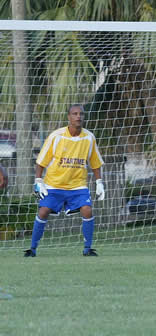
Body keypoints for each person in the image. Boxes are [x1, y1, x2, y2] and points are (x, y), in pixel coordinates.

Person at [24, 104, 105, 257]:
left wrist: (99, 182)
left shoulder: (89, 137)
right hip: (54, 184)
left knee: (87, 210)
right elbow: (41, 161)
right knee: (43, 211)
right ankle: (32, 249)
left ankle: (88, 249)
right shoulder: (56, 136)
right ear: (69, 117)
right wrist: (38, 181)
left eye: (81, 114)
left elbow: (95, 163)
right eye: (75, 114)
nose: (78, 116)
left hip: (77, 186)